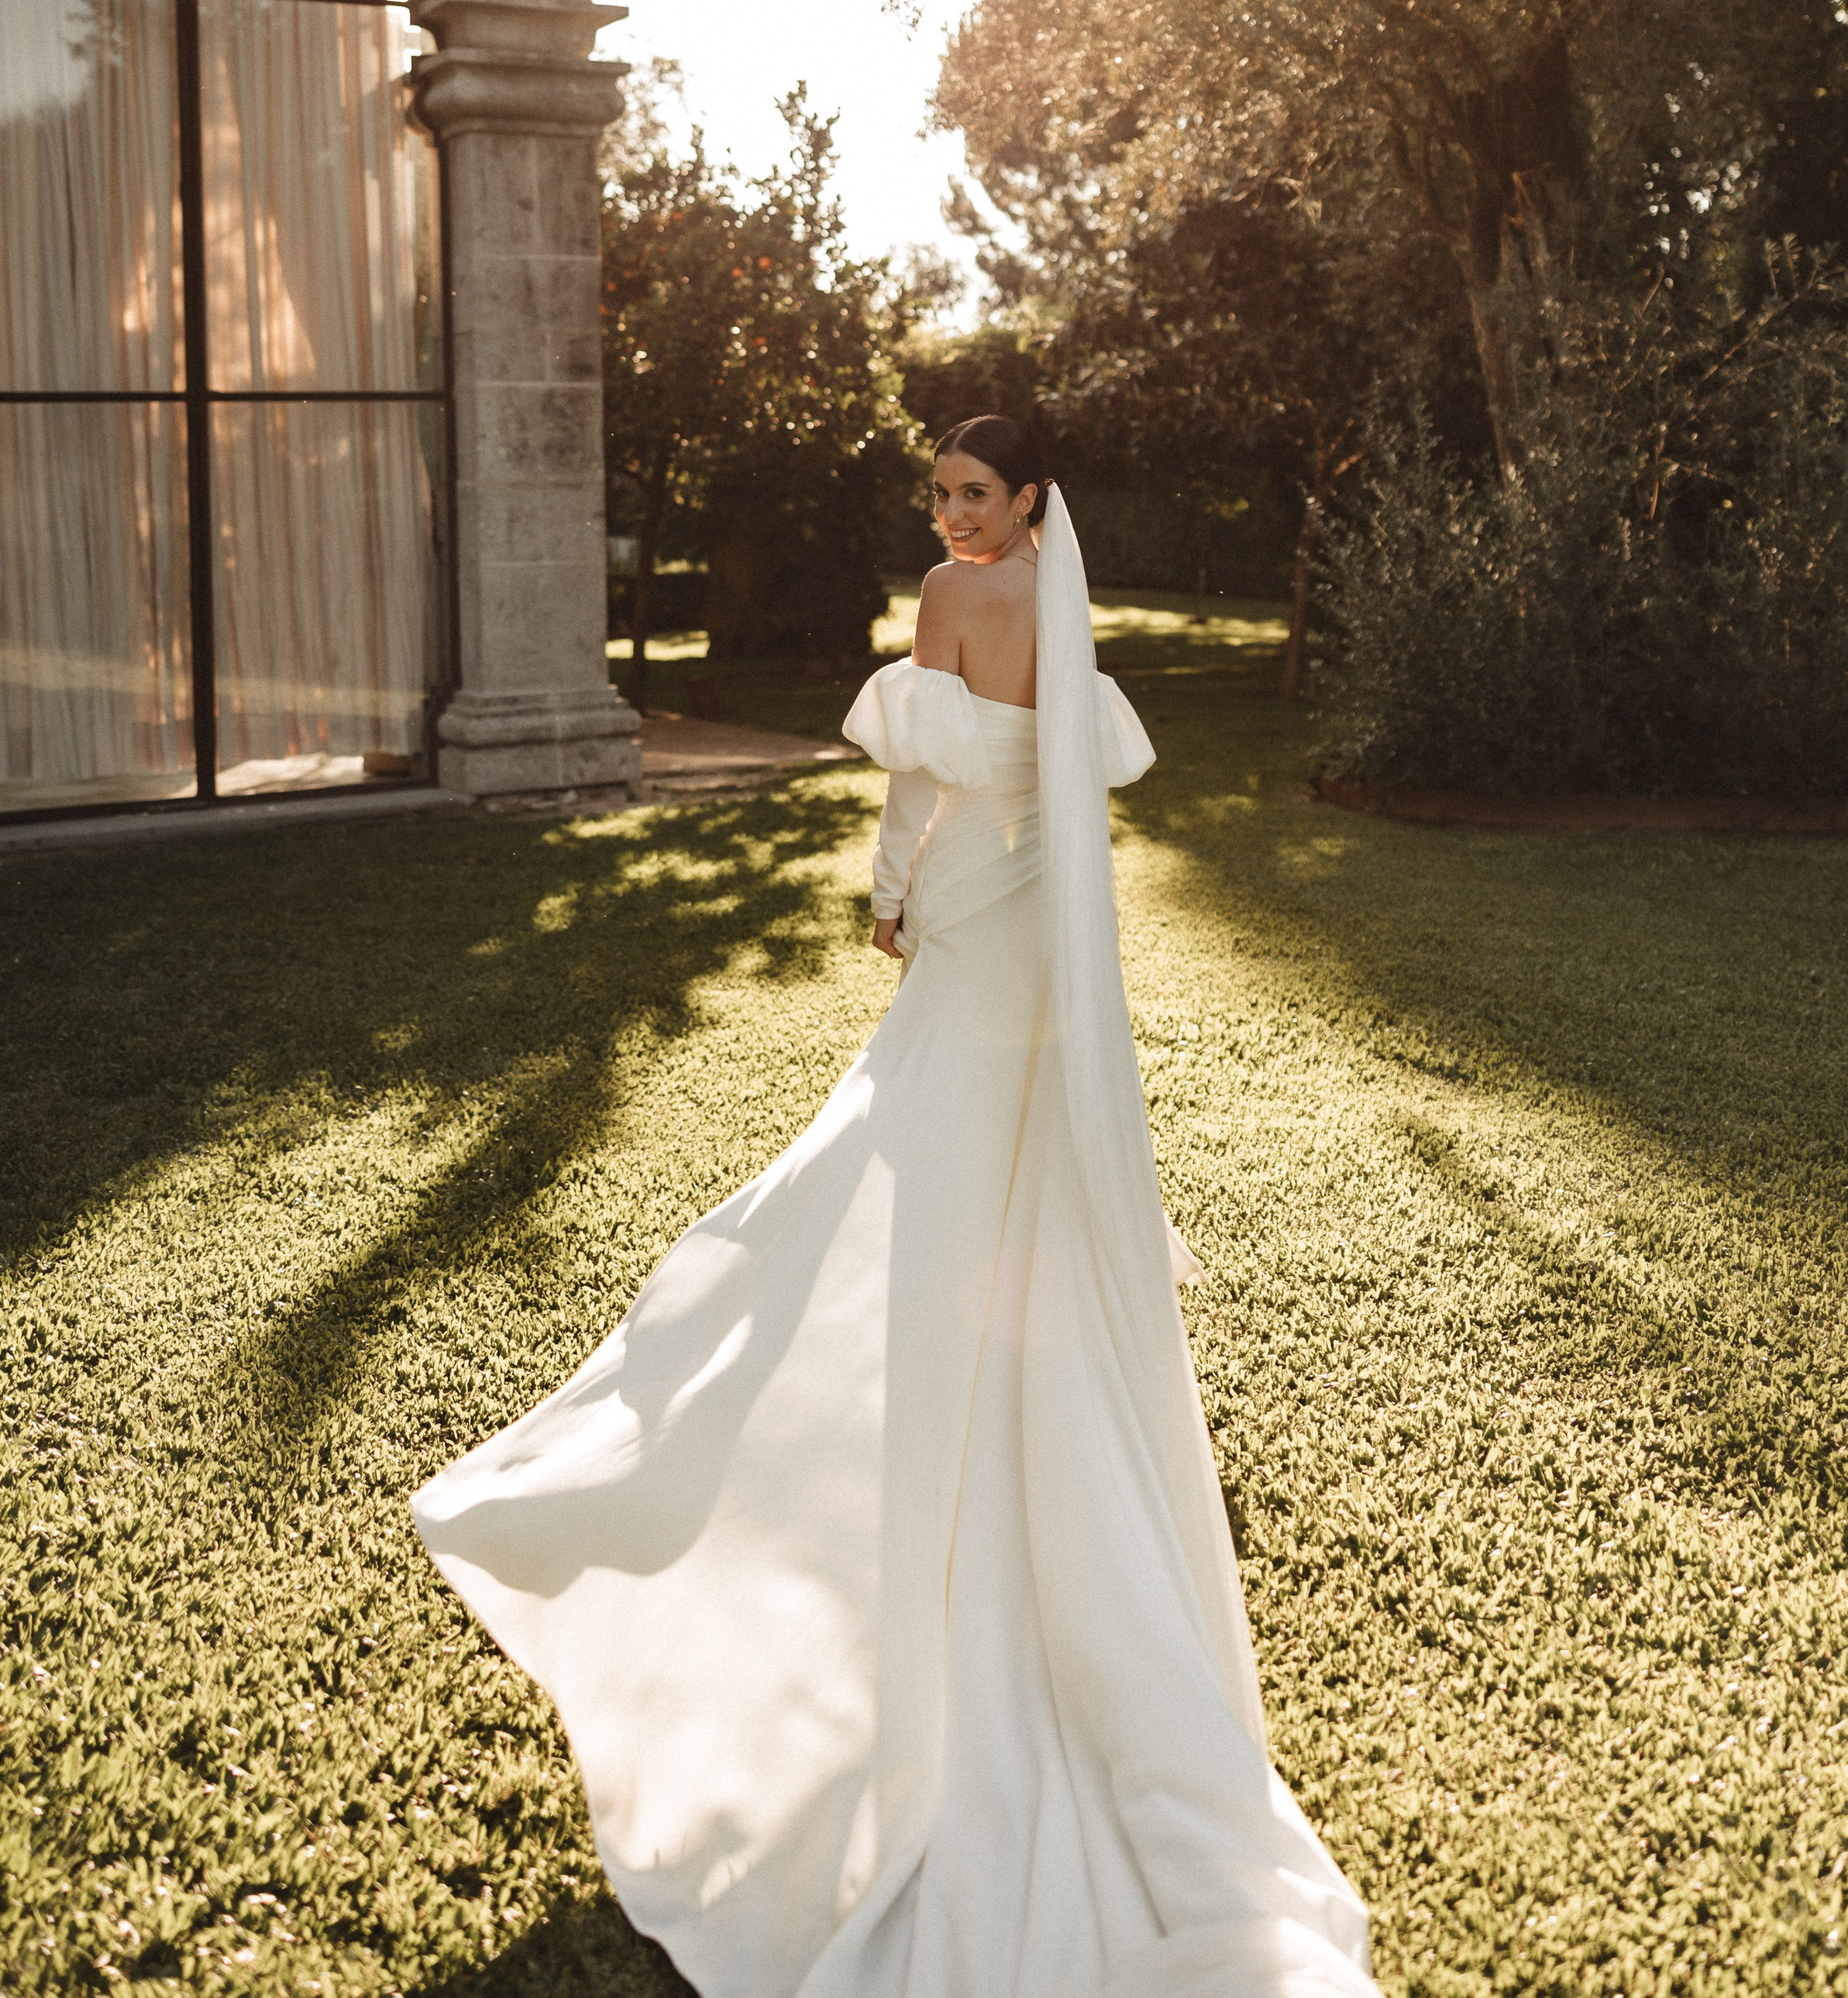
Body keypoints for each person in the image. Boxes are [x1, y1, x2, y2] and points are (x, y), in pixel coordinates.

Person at [411, 418, 1378, 1998]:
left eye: (974, 493)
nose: (950, 516)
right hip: (1037, 927)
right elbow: (1077, 788)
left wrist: (885, 896)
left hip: (975, 919)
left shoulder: (950, 599)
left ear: (1030, 498)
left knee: (891, 1155)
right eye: (939, 494)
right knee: (977, 1154)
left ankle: (855, 1378)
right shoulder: (1059, 609)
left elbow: (920, 784)